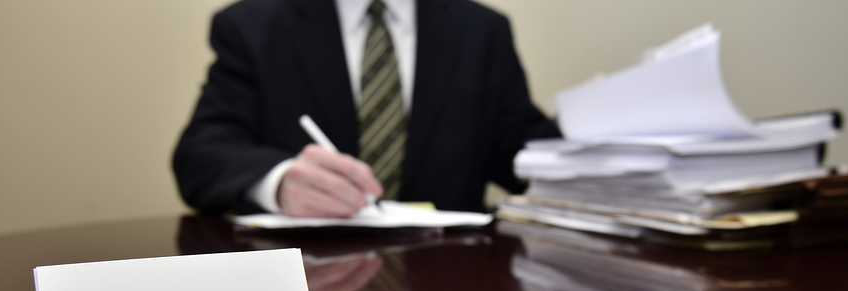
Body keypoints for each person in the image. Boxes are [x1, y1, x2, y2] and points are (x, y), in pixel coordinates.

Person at [173, 0, 560, 217]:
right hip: (311, 283)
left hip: (450, 282)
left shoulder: (483, 30)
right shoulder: (253, 25)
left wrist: (591, 131)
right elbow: (202, 154)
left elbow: (518, 153)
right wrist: (280, 181)